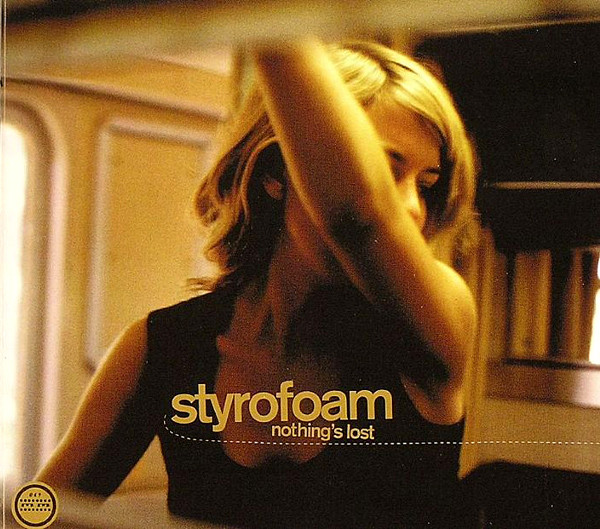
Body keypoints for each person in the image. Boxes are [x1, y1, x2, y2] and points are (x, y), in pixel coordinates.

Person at [37, 38, 478, 529]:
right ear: (275, 174)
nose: (413, 209)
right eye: (382, 172)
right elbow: (38, 513)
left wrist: (271, 23)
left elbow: (356, 217)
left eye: (427, 184)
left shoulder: (434, 326)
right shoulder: (161, 346)